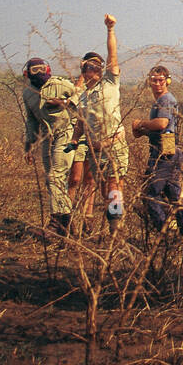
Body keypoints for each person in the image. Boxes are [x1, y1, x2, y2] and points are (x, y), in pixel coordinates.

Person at [69, 14, 130, 237]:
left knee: (113, 189)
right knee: (106, 192)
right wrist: (75, 140)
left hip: (114, 147)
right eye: (86, 67)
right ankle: (116, 222)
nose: (90, 70)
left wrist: (110, 30)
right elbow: (80, 122)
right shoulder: (83, 97)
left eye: (95, 66)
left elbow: (112, 54)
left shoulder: (110, 83)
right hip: (95, 153)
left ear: (102, 69)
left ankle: (116, 231)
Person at [20, 58, 77, 239]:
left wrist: (65, 103)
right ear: (27, 74)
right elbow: (31, 121)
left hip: (66, 134)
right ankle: (67, 224)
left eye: (41, 70)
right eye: (34, 71)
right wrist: (29, 146)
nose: (39, 74)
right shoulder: (28, 94)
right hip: (47, 137)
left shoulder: (61, 85)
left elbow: (81, 95)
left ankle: (56, 224)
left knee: (55, 177)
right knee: (52, 180)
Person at [131, 65, 183, 235]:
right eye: (154, 80)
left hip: (164, 153)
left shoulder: (165, 99)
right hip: (168, 149)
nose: (157, 83)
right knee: (174, 194)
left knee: (150, 194)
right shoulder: (160, 101)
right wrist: (142, 131)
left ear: (167, 81)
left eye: (161, 80)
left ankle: (163, 233)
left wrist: (141, 123)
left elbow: (162, 123)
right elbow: (159, 129)